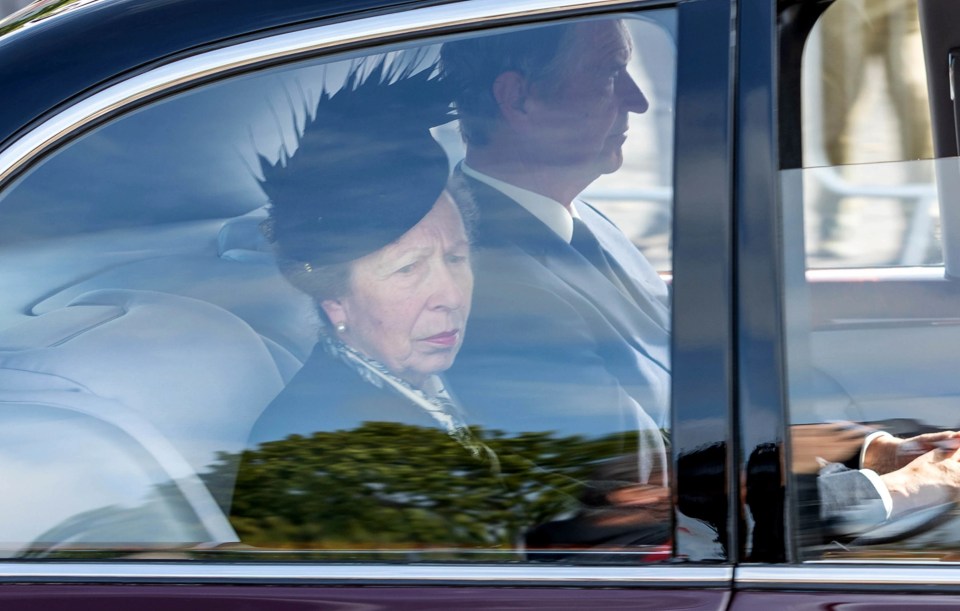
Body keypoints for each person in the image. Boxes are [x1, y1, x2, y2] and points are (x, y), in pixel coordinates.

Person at [439, 17, 960, 548]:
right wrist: (903, 489)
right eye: (608, 73)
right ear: (517, 97)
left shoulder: (581, 223)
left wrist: (870, 452)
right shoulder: (505, 290)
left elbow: (692, 425)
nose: (637, 100)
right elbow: (660, 496)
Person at [229, 61, 501, 548]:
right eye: (408, 269)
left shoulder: (449, 377)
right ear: (336, 301)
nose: (451, 296)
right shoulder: (319, 456)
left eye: (457, 257)